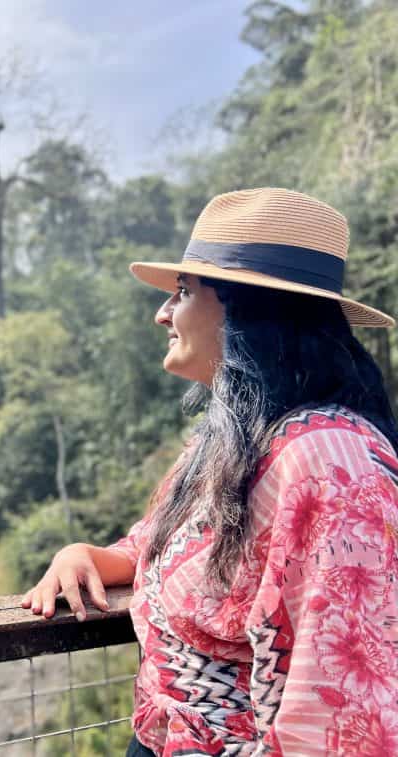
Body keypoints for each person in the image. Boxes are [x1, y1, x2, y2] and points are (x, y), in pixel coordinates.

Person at [21, 187, 398, 756]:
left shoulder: (331, 463)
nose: (162, 314)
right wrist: (83, 555)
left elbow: (347, 711)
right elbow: (163, 549)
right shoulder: (236, 444)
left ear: (248, 307)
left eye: (183, 291)